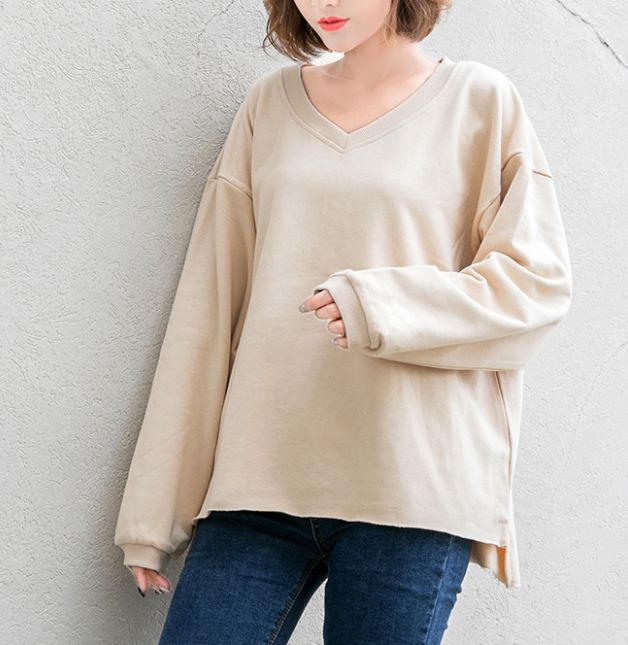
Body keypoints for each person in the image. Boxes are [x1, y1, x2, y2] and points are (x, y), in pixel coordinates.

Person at [114, 0, 573, 643]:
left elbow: (536, 286)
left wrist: (380, 306)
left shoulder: (481, 101)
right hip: (259, 479)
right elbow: (210, 305)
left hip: (410, 488)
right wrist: (154, 514)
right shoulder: (269, 105)